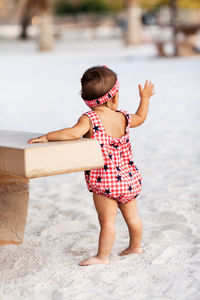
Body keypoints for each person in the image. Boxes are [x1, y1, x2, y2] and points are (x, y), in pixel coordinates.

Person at [28, 66, 155, 266]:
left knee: (107, 222)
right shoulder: (123, 116)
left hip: (105, 181)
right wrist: (145, 98)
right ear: (114, 98)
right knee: (133, 218)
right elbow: (140, 118)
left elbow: (72, 133)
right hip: (129, 179)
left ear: (87, 101)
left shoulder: (90, 118)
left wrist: (47, 137)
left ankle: (102, 257)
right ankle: (135, 247)